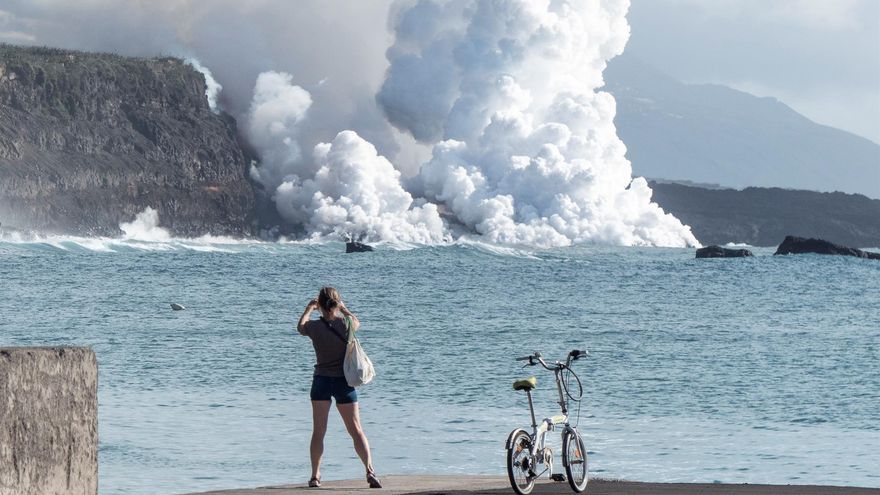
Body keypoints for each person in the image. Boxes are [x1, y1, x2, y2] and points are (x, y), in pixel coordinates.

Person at [297, 286, 381, 489]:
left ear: (320, 305)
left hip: (321, 381)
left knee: (319, 431)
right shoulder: (347, 324)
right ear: (336, 303)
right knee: (356, 430)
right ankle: (370, 471)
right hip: (344, 381)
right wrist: (345, 309)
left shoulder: (315, 328)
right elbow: (357, 321)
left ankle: (315, 476)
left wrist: (309, 308)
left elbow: (301, 327)